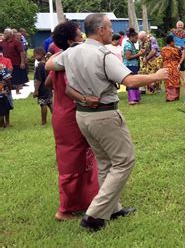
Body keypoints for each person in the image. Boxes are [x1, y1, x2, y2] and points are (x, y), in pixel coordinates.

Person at [46, 13, 168, 231]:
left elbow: (50, 66)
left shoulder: (70, 53)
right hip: (104, 115)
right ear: (101, 29)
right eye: (110, 27)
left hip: (83, 116)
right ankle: (94, 214)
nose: (112, 31)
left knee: (105, 162)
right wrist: (156, 76)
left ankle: (112, 208)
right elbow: (129, 80)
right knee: (124, 161)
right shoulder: (104, 55)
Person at [47, 21, 99, 221]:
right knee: (72, 162)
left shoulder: (61, 59)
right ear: (71, 41)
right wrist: (88, 99)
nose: (83, 38)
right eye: (79, 35)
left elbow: (49, 82)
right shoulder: (71, 60)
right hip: (71, 115)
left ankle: (85, 199)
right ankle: (65, 209)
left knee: (81, 159)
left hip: (61, 113)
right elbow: (71, 89)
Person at [2, 28, 28, 94]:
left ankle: (17, 90)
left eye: (5, 33)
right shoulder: (3, 42)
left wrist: (22, 62)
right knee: (7, 77)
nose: (4, 34)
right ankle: (8, 90)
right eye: (4, 33)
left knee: (18, 77)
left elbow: (22, 52)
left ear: (10, 34)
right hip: (6, 63)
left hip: (16, 62)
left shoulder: (16, 42)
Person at [123, 28, 144, 105]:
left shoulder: (131, 44)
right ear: (131, 37)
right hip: (130, 66)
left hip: (133, 65)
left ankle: (136, 98)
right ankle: (132, 99)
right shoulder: (128, 45)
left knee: (135, 81)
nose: (136, 40)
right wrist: (139, 54)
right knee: (132, 81)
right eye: (135, 38)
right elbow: (128, 57)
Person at [33, 47, 53, 125]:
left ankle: (43, 122)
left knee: (43, 104)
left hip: (42, 87)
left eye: (35, 55)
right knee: (49, 103)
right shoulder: (47, 63)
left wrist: (36, 90)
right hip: (48, 87)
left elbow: (38, 79)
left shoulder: (40, 65)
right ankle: (56, 117)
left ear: (40, 54)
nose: (34, 57)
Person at [161, 35, 182, 102]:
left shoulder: (163, 49)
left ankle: (169, 96)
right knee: (175, 80)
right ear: (171, 42)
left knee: (168, 81)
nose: (175, 42)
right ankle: (175, 96)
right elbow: (179, 57)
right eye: (174, 41)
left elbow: (162, 57)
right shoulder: (175, 49)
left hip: (166, 66)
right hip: (174, 66)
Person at [0, 60, 13, 128]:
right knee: (5, 108)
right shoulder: (1, 67)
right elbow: (8, 79)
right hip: (3, 92)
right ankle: (5, 123)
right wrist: (10, 88)